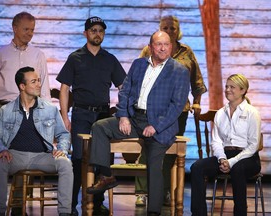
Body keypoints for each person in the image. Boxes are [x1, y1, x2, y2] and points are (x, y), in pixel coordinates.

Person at [86, 31, 190, 215]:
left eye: (167, 44)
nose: (163, 48)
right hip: (134, 119)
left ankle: (153, 212)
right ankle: (107, 176)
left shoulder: (179, 71)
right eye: (159, 44)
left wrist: (156, 126)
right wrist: (124, 116)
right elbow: (125, 91)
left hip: (159, 124)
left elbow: (177, 105)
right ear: (150, 47)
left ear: (171, 46)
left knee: (154, 164)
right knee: (99, 127)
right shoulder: (139, 64)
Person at [56, 16, 126, 216]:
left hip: (103, 115)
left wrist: (124, 113)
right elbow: (64, 88)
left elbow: (123, 87)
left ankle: (98, 203)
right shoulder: (75, 57)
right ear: (85, 33)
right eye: (93, 30)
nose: (97, 34)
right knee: (78, 160)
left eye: (101, 30)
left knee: (101, 159)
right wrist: (64, 115)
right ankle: (70, 206)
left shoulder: (110, 59)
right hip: (81, 113)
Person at [135, 15, 207, 207]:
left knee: (169, 150)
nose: (169, 31)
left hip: (178, 110)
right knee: (147, 147)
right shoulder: (147, 51)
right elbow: (137, 78)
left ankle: (164, 190)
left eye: (172, 28)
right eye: (165, 28)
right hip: (151, 109)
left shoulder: (186, 52)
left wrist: (197, 102)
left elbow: (197, 82)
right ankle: (142, 191)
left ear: (178, 31)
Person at [0, 11, 51, 209]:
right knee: (0, 156)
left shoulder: (38, 55)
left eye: (32, 30)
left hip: (31, 111)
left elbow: (44, 89)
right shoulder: (0, 54)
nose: (30, 33)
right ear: (14, 28)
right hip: (5, 110)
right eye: (26, 29)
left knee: (24, 154)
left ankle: (19, 206)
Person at [0, 67, 73, 216]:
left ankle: (65, 213)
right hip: (15, 156)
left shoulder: (49, 109)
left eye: (39, 81)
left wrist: (62, 149)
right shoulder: (6, 110)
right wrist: (1, 149)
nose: (38, 84)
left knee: (65, 163)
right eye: (33, 81)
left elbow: (63, 134)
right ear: (22, 86)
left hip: (42, 156)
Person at [190, 74, 261, 216]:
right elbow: (216, 141)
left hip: (248, 157)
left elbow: (253, 145)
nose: (227, 90)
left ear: (243, 90)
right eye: (226, 86)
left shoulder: (252, 112)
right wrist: (222, 159)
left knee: (237, 169)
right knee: (197, 167)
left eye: (232, 87)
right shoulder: (220, 113)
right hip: (225, 155)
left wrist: (232, 161)